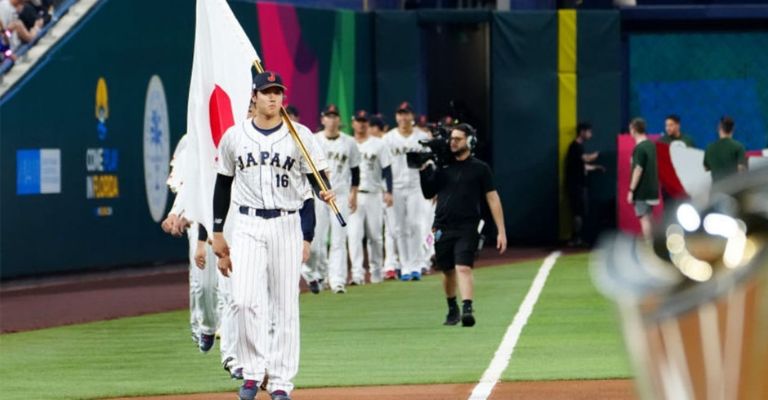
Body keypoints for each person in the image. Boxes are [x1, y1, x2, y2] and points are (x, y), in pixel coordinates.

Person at [211, 70, 334, 400]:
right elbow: (222, 184)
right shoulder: (235, 137)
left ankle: (280, 381)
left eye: (277, 92)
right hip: (248, 224)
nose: (273, 97)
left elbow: (316, 178)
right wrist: (218, 230)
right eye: (266, 92)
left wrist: (325, 191)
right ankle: (252, 371)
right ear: (254, 96)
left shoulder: (301, 135)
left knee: (285, 306)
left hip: (286, 224)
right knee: (242, 300)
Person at [419, 123, 507, 327]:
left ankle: (468, 307)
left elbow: (493, 198)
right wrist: (423, 171)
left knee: (463, 267)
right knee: (448, 270)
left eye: (458, 139)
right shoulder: (443, 167)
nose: (453, 142)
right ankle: (452, 308)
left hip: (468, 226)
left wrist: (501, 230)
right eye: (451, 139)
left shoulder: (480, 168)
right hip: (442, 226)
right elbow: (428, 193)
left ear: (470, 141)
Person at [304, 104, 361, 294]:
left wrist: (354, 193)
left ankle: (337, 280)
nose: (332, 119)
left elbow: (355, 170)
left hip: (341, 193)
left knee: (338, 239)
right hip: (319, 194)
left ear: (339, 120)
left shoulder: (349, 142)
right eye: (328, 116)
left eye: (335, 116)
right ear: (323, 119)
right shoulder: (314, 139)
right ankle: (317, 275)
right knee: (317, 240)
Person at [383, 101, 431, 281]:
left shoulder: (422, 136)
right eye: (400, 114)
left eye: (406, 113)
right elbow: (384, 167)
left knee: (416, 225)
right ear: (396, 116)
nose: (403, 117)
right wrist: (386, 190)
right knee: (398, 227)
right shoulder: (388, 138)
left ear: (412, 116)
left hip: (415, 186)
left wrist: (430, 186)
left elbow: (429, 164)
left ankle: (417, 264)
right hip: (395, 187)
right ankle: (405, 266)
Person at [348, 110, 393, 284]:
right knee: (354, 236)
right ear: (353, 123)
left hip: (373, 194)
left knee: (375, 236)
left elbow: (387, 168)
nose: (361, 124)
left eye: (364, 121)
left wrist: (389, 191)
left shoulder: (379, 144)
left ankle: (376, 272)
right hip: (354, 195)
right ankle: (357, 275)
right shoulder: (348, 143)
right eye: (358, 120)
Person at [564, 122, 602, 246]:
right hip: (575, 186)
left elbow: (582, 165)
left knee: (581, 212)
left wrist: (596, 167)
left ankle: (579, 237)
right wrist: (595, 155)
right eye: (589, 132)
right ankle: (576, 238)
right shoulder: (575, 146)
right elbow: (585, 159)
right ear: (582, 132)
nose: (590, 134)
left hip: (580, 185)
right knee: (578, 212)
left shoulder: (579, 147)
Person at [627, 118, 659, 241]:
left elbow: (638, 169)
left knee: (644, 219)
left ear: (634, 130)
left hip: (642, 191)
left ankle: (650, 247)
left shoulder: (639, 148)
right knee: (650, 218)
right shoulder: (651, 145)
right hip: (653, 189)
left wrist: (631, 190)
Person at [704, 116, 747, 183]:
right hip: (733, 190)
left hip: (716, 190)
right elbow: (741, 169)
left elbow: (706, 168)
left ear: (719, 128)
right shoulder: (738, 147)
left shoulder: (709, 148)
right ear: (733, 129)